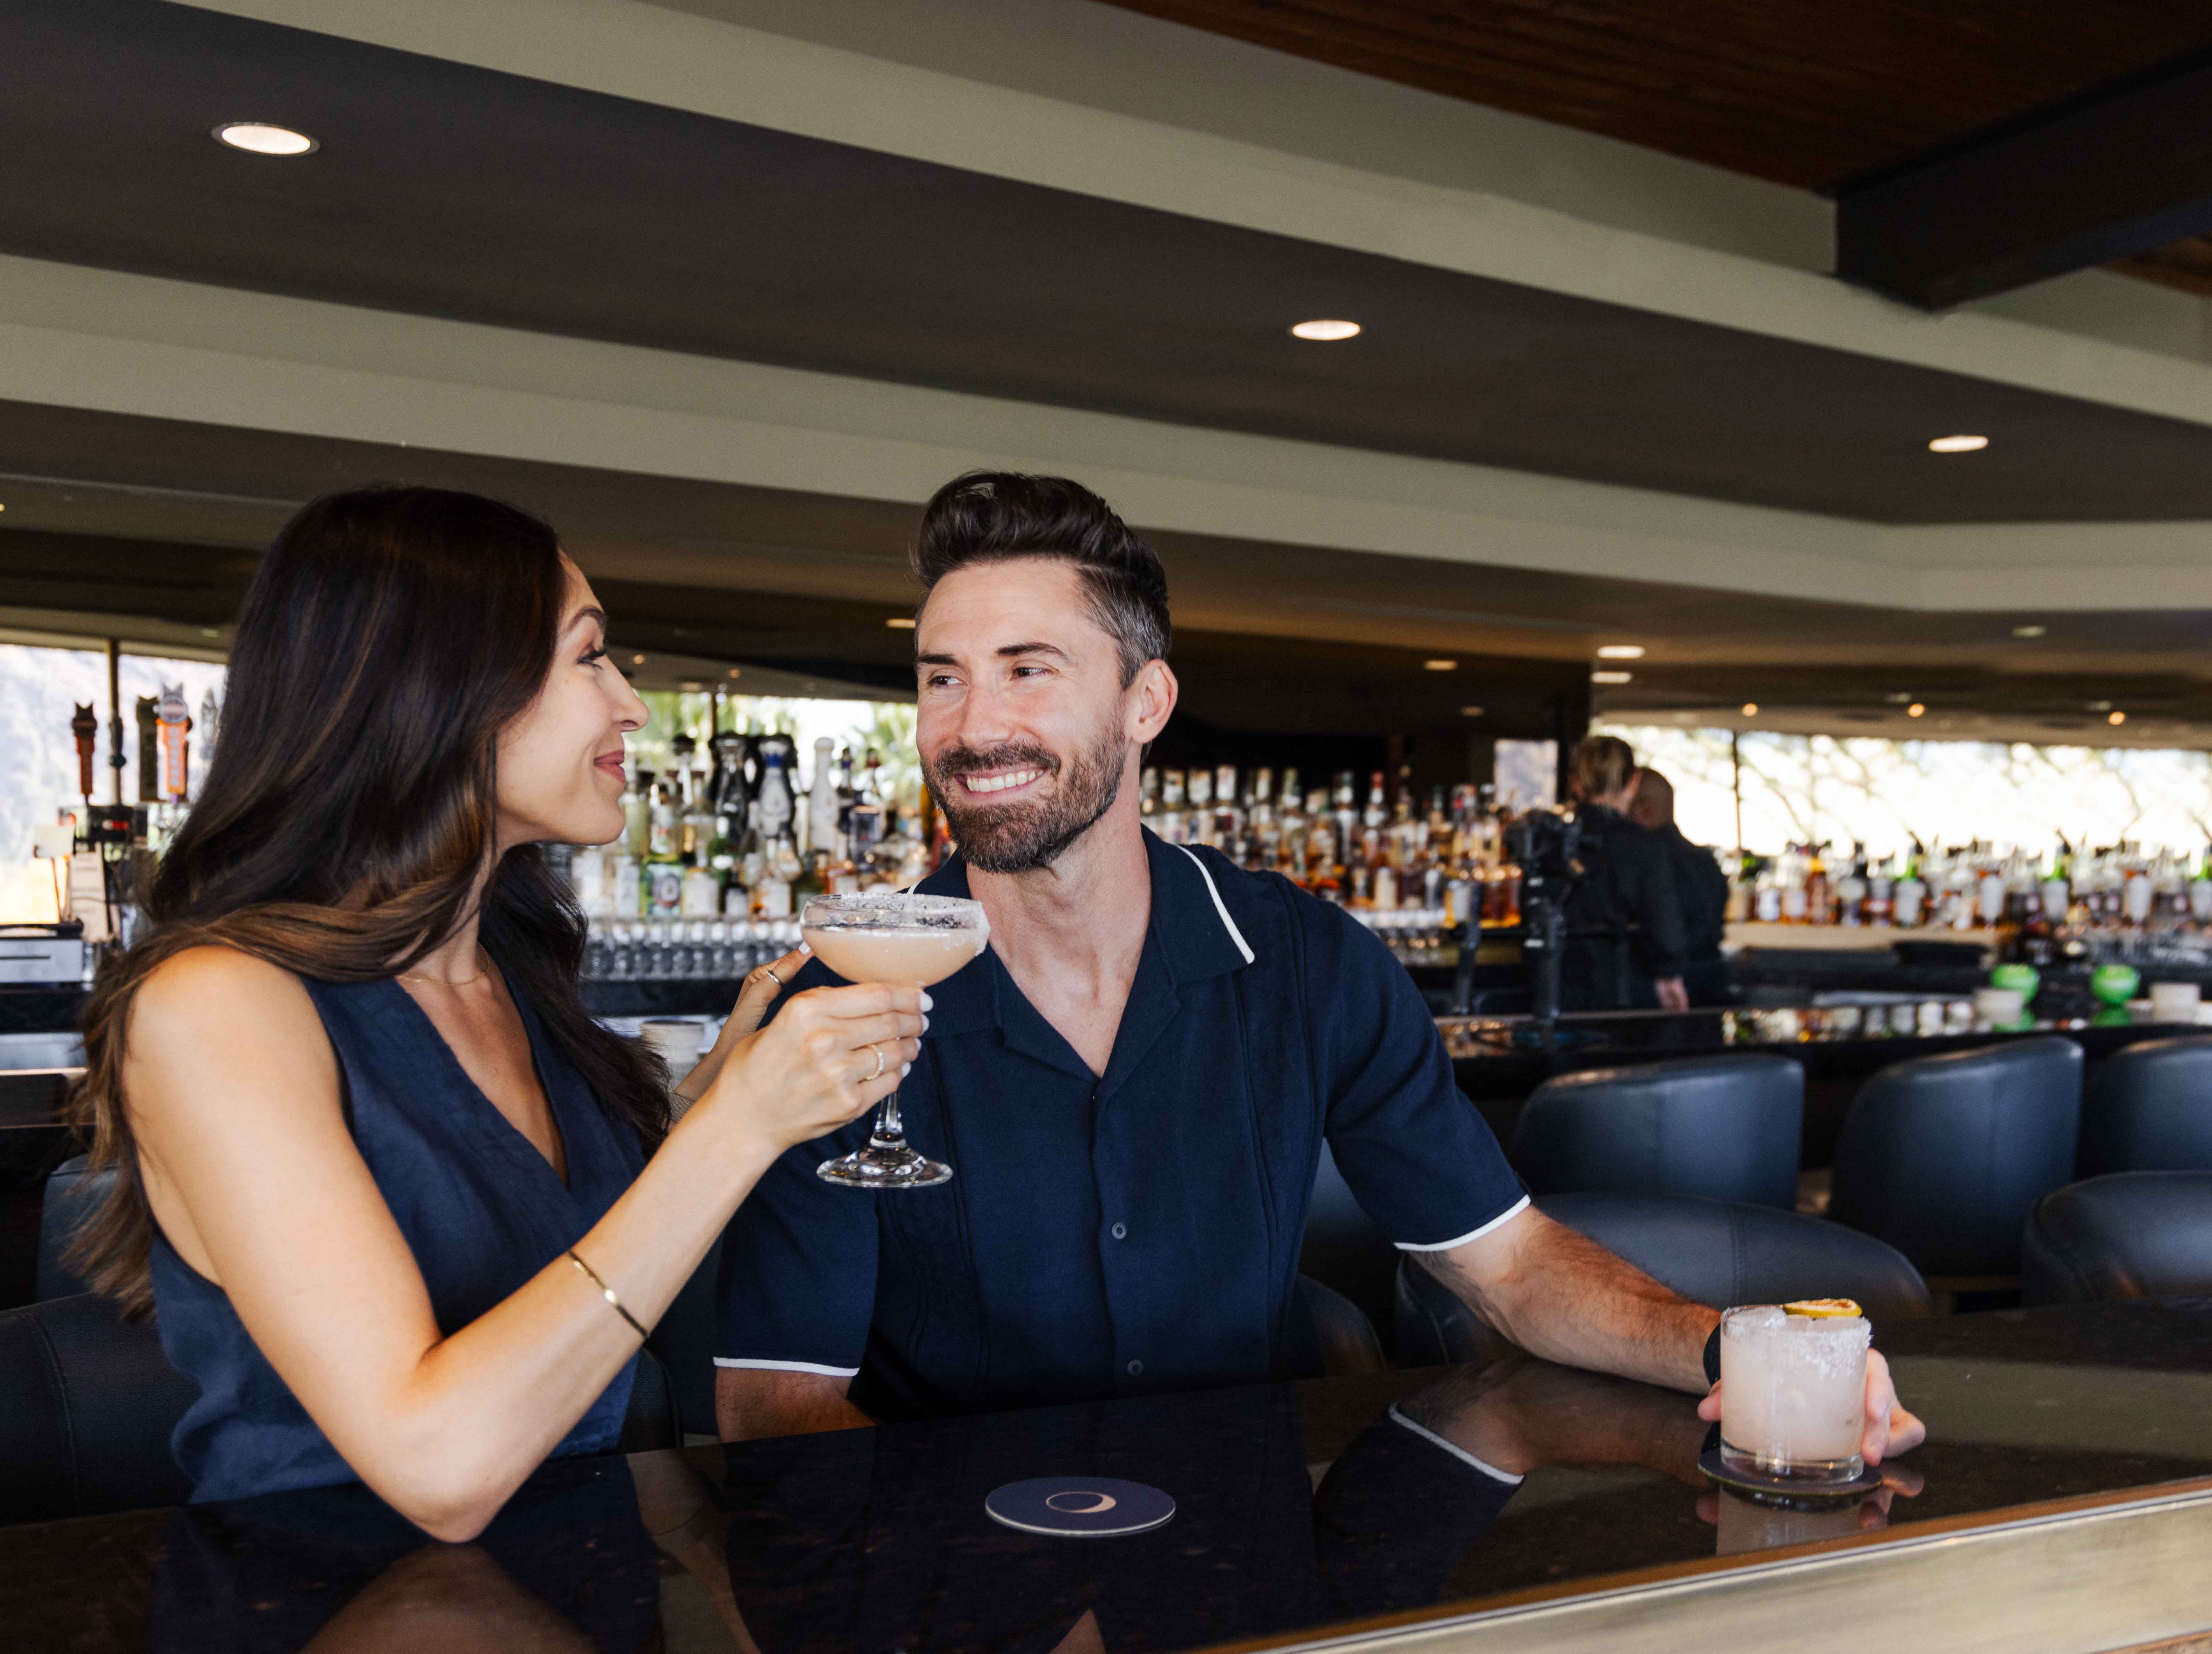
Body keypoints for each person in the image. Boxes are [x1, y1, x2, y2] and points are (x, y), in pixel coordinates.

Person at [711, 471, 1920, 1471]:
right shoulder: (838, 1008)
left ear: (1145, 702)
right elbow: (773, 1405)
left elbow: (1505, 1266)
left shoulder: (1306, 962)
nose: (970, 727)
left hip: (1241, 1589)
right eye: (941, 675)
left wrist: (1735, 1350)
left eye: (1028, 668)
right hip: (959, 1625)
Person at [66, 486, 926, 1539]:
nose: (631, 706)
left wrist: (703, 1106)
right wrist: (736, 1128)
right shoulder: (217, 1005)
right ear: (443, 687)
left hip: (580, 1613)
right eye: (588, 655)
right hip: (329, 1636)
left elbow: (551, 1255)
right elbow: (439, 1464)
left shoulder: (507, 978)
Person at [1559, 735, 1690, 1012]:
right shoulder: (1644, 847)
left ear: (1575, 783)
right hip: (1624, 994)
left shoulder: (1549, 842)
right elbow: (1663, 925)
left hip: (1553, 992)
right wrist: (1671, 976)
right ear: (1634, 782)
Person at [1628, 767, 1734, 1007]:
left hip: (1665, 995)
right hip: (1713, 988)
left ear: (1644, 809)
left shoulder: (1646, 862)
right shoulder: (1707, 862)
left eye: (1626, 805)